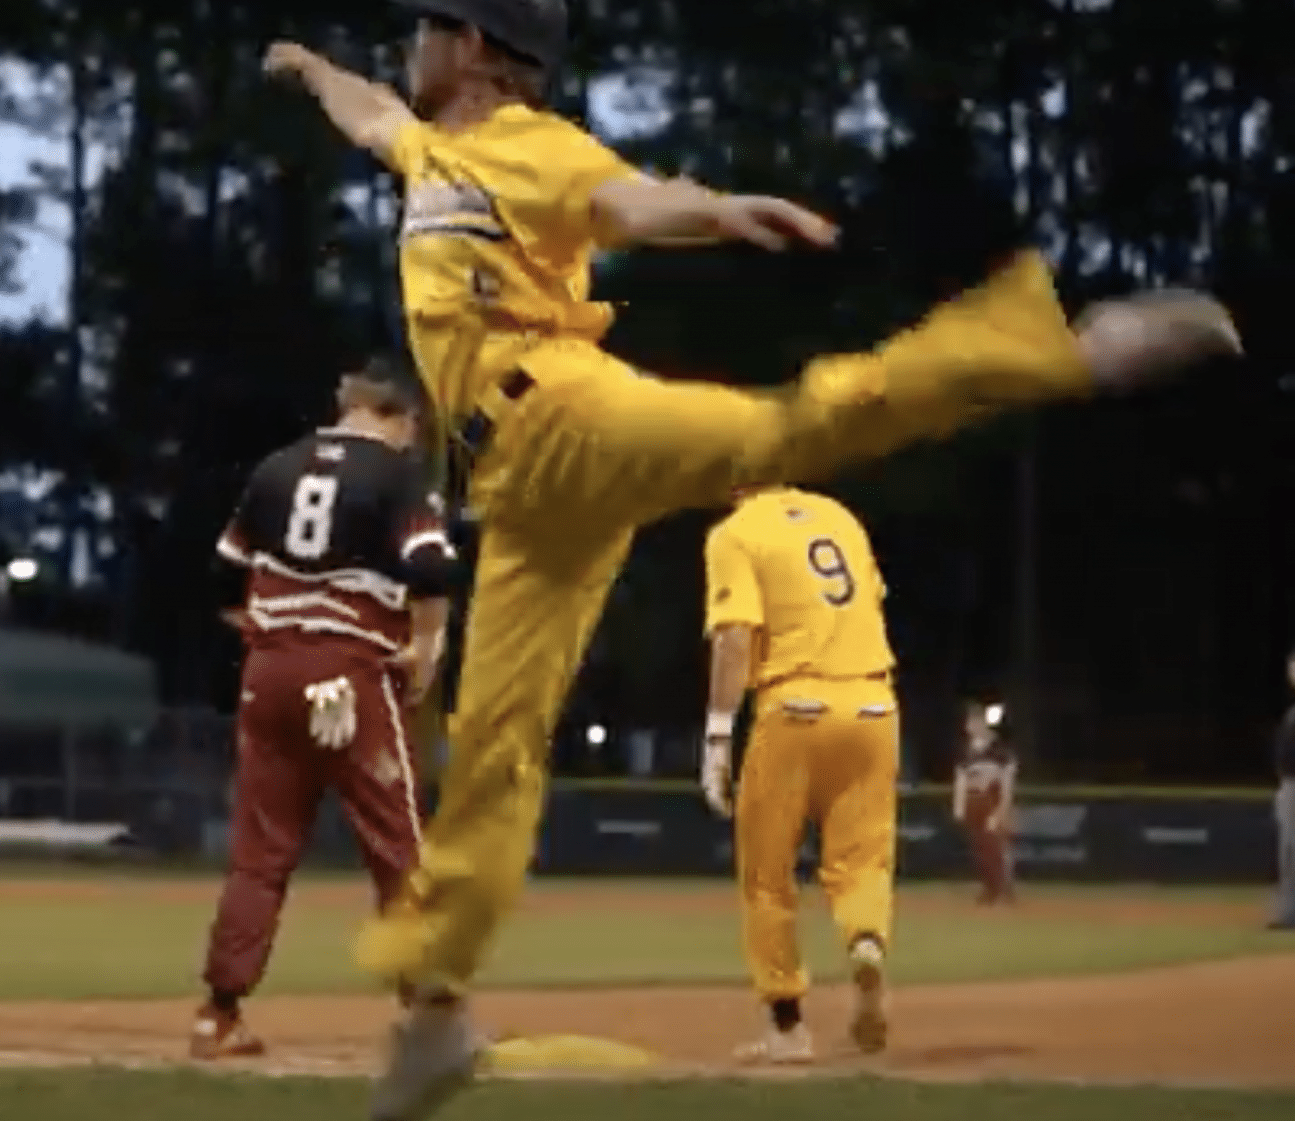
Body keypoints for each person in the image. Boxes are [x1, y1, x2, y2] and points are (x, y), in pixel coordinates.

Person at [260, 1, 1241, 1114]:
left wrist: (714, 210)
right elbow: (372, 112)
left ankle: (1054, 350)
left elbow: (626, 199)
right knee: (493, 738)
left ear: (477, 50)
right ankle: (433, 1010)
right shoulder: (432, 152)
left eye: (432, 23)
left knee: (789, 426)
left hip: (566, 414)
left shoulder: (526, 145)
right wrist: (307, 68)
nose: (412, 42)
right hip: (519, 493)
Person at [191, 360, 459, 1060]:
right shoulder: (397, 475)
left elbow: (224, 576)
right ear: (398, 417)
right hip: (348, 673)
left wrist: (276, 637)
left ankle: (218, 1013)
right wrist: (428, 648)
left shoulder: (276, 467)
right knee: (397, 847)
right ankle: (426, 1014)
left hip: (269, 670)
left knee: (260, 851)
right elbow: (431, 568)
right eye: (413, 429)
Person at [700, 486, 896, 1064]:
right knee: (861, 859)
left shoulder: (734, 532)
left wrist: (716, 736)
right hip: (874, 703)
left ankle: (787, 1027)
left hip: (794, 704)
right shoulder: (841, 515)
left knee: (767, 873)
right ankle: (864, 940)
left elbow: (736, 637)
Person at [953, 701, 1018, 906]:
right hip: (974, 802)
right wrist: (959, 806)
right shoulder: (965, 752)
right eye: (969, 722)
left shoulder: (999, 750)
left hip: (992, 800)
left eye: (974, 721)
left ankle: (1004, 889)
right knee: (980, 848)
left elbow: (1007, 782)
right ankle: (989, 888)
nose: (970, 726)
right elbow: (960, 780)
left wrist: (1001, 810)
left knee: (997, 848)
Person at [1271, 649, 1295, 930]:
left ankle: (1289, 913)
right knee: (1288, 851)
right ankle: (1288, 912)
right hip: (1287, 785)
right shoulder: (1291, 713)